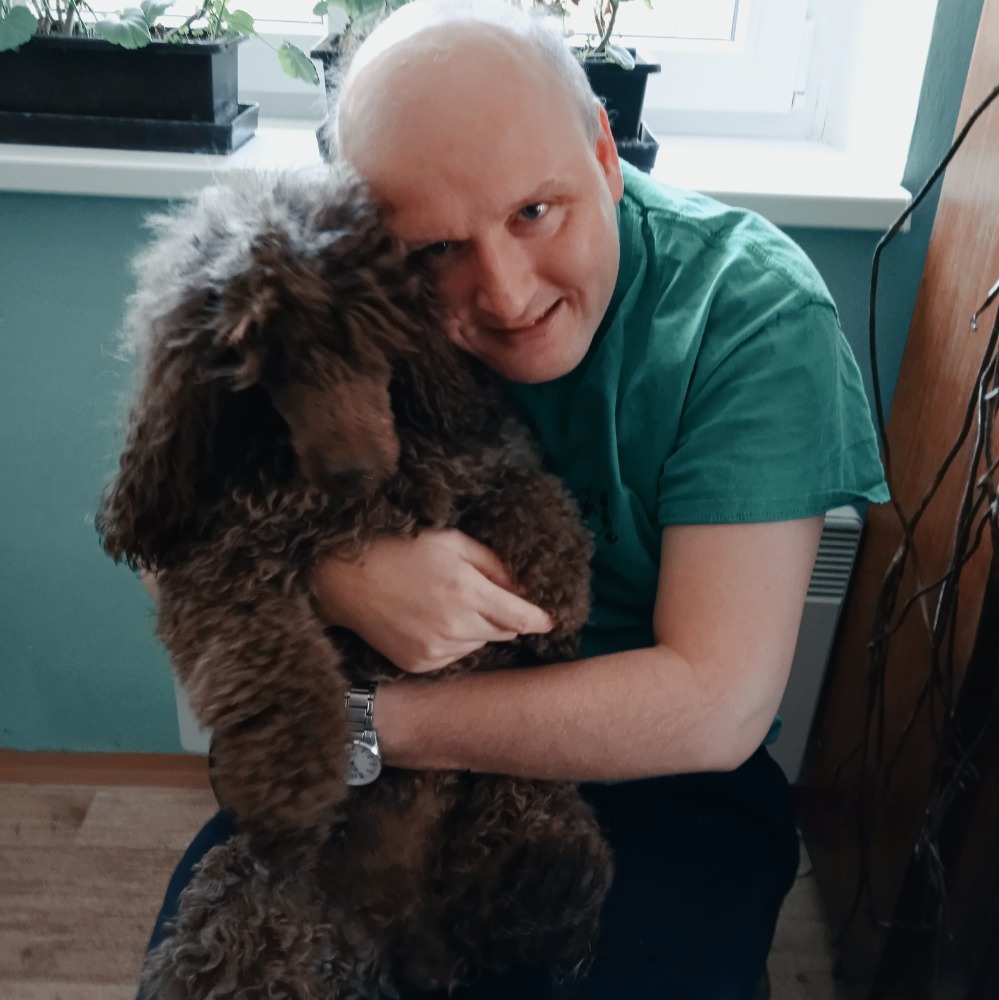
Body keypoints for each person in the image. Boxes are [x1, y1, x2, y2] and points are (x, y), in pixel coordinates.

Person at [139, 1, 889, 997]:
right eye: (436, 250)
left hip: (648, 774)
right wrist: (342, 577)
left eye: (536, 211)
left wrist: (366, 721)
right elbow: (164, 538)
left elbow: (715, 705)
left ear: (605, 156)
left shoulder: (747, 315)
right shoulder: (328, 289)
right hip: (366, 774)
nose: (503, 292)